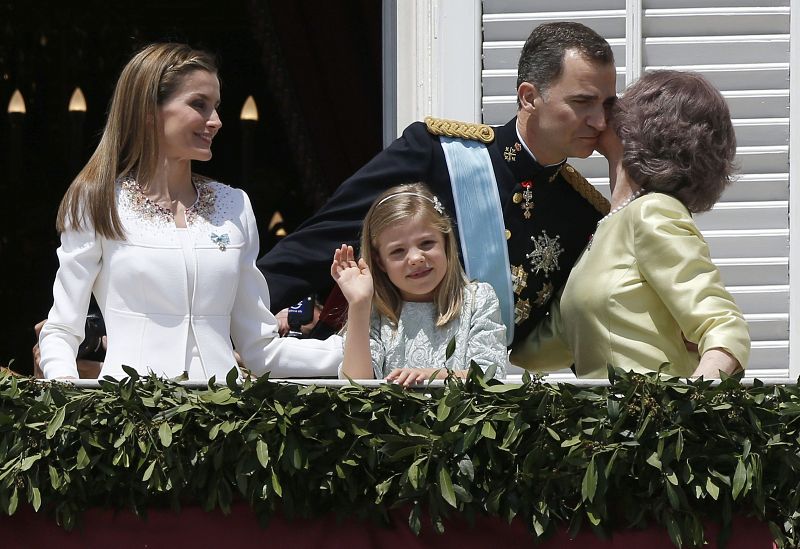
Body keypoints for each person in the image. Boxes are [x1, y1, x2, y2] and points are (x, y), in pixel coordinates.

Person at [258, 21, 616, 357]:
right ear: (528, 97)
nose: (600, 122)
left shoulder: (581, 212)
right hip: (376, 388)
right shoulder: (437, 155)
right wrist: (233, 320)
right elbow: (319, 245)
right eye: (582, 102)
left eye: (607, 106)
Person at [38, 43, 342, 380]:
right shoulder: (97, 199)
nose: (216, 121)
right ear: (148, 111)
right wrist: (67, 402)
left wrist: (372, 353)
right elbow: (62, 330)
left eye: (215, 106)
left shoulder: (234, 204)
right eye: (199, 105)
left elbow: (260, 348)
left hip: (227, 419)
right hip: (129, 420)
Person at [513, 70, 751, 378]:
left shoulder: (653, 211)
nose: (606, 113)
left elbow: (723, 326)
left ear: (643, 126)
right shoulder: (605, 228)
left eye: (619, 104)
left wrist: (691, 405)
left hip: (651, 420)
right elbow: (537, 352)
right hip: (603, 423)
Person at [332, 184, 507, 386]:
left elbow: (491, 376)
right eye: (398, 251)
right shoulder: (374, 310)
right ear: (380, 261)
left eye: (426, 243)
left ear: (446, 243)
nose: (415, 258)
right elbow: (355, 388)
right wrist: (359, 304)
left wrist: (431, 377)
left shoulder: (478, 299)